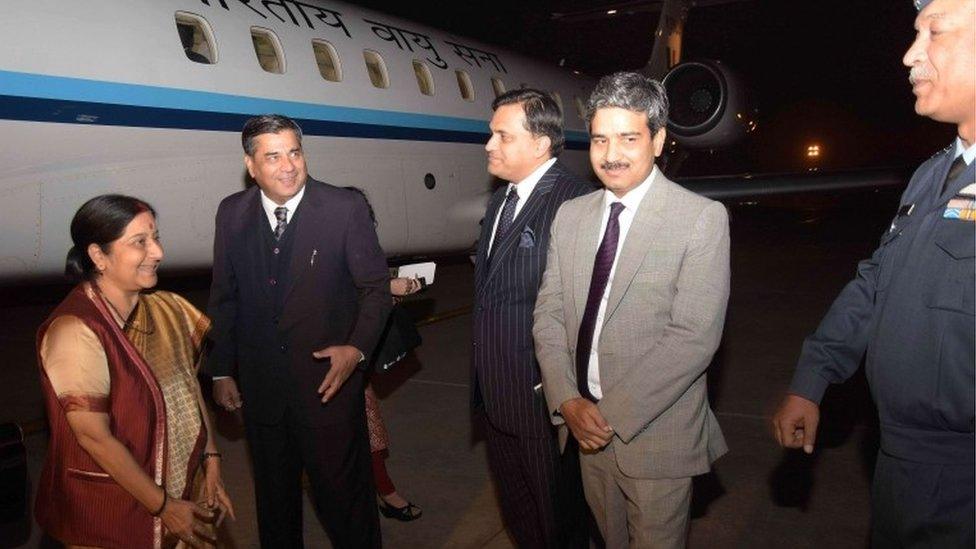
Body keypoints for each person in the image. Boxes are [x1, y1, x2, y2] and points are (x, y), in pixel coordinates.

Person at [772, 0, 975, 545]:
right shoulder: (934, 174)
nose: (911, 55)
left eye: (934, 32)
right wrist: (814, 379)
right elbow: (875, 282)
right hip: (901, 465)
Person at [533, 72, 730, 548]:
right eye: (600, 139)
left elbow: (693, 338)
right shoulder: (572, 216)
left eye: (628, 138)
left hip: (655, 434)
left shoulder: (700, 219)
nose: (611, 154)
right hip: (585, 432)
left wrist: (605, 417)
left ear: (658, 140)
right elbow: (550, 314)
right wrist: (567, 401)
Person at [206, 114, 391, 548]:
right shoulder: (231, 213)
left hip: (328, 389)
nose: (288, 165)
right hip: (262, 392)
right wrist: (220, 370)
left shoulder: (344, 208)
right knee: (275, 505)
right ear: (251, 166)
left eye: (295, 152)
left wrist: (356, 350)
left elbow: (376, 291)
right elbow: (224, 296)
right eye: (273, 156)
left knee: (346, 505)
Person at [35, 194, 234, 548]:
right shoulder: (76, 330)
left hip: (173, 487)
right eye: (140, 242)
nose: (157, 252)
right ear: (98, 256)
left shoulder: (166, 310)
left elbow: (187, 388)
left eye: (156, 238)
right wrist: (165, 506)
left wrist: (210, 455)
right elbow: (94, 437)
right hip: (108, 509)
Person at [471, 87, 592, 547]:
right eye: (491, 134)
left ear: (540, 143)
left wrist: (564, 391)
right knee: (521, 511)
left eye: (502, 135)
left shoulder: (573, 202)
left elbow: (582, 309)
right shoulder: (502, 200)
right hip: (495, 391)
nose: (489, 145)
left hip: (544, 396)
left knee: (559, 517)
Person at [344, 186, 423, 522]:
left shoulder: (360, 251)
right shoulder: (317, 247)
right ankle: (384, 495)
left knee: (368, 434)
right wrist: (386, 288)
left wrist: (388, 292)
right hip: (327, 365)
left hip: (353, 365)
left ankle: (379, 493)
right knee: (358, 437)